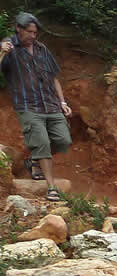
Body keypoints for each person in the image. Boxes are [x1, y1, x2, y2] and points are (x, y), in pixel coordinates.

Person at [0, 13, 72, 202]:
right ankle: (51, 188)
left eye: (35, 32)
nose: (33, 35)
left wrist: (62, 102)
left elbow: (54, 78)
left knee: (63, 140)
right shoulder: (9, 48)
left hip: (51, 104)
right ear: (18, 28)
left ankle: (33, 160)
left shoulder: (42, 49)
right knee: (42, 143)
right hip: (28, 106)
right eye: (29, 32)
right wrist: (2, 51)